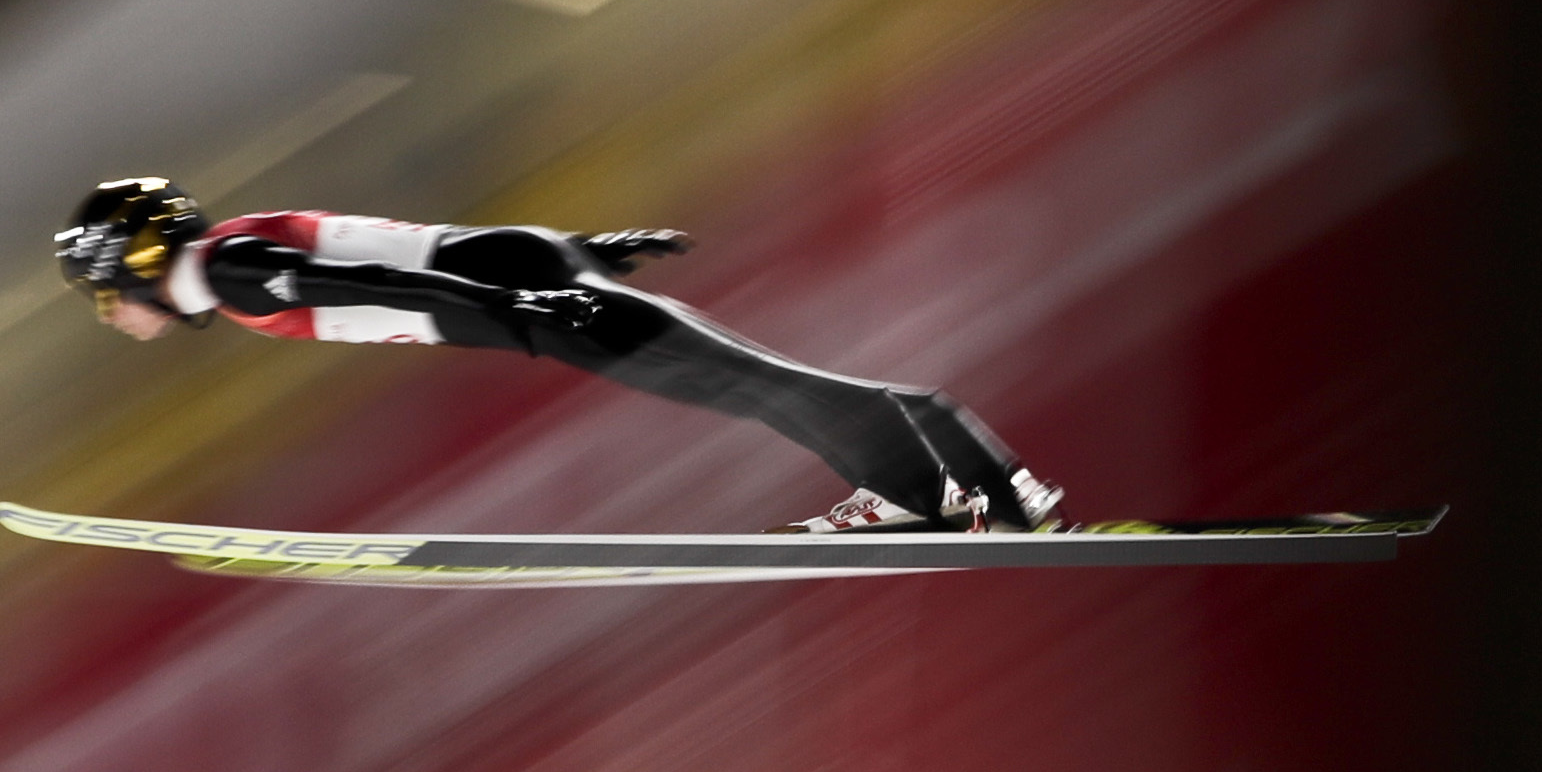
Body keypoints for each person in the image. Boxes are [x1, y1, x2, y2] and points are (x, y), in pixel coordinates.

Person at [53, 176, 1063, 534]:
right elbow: (417, 247)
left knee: (763, 389)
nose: (115, 321)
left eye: (105, 301)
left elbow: (386, 283)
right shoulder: (240, 250)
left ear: (132, 269)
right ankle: (972, 491)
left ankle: (965, 491)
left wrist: (525, 296)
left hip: (529, 306)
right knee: (754, 386)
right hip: (527, 289)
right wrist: (572, 256)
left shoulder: (232, 276)